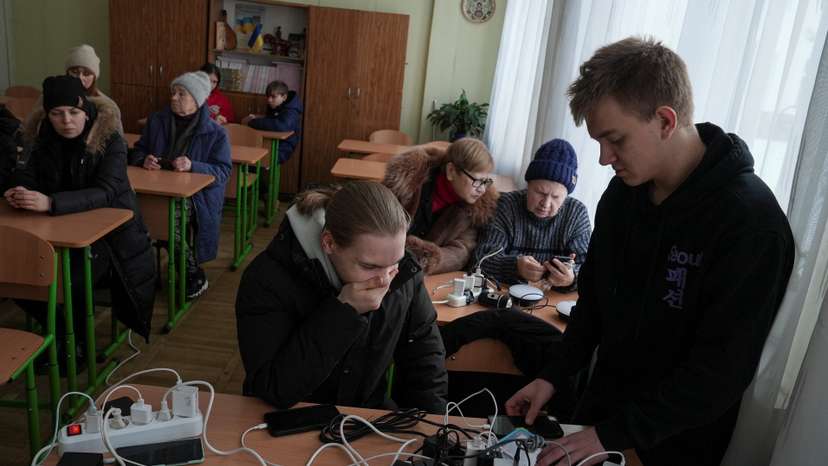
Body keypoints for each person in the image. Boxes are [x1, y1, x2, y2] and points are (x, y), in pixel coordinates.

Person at [505, 37, 795, 466]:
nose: (604, 159)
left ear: (664, 119)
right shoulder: (623, 195)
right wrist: (554, 375)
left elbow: (720, 372)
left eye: (615, 139)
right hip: (600, 417)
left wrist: (614, 434)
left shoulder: (751, 223)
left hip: (675, 441)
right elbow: (595, 305)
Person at [236, 182, 447, 412]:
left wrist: (433, 429)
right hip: (289, 418)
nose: (386, 280)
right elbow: (273, 388)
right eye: (369, 266)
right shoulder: (267, 279)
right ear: (329, 243)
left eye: (394, 261)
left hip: (365, 417)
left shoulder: (404, 271)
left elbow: (425, 360)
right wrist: (342, 312)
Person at [4, 75, 155, 347]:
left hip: (111, 239)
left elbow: (106, 191)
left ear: (85, 110)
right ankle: (62, 333)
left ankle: (79, 345)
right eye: (57, 114)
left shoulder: (110, 140)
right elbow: (24, 171)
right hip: (56, 230)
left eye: (73, 112)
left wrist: (50, 203)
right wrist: (18, 190)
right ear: (47, 115)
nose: (66, 121)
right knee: (17, 271)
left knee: (70, 281)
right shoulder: (38, 137)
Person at [129, 71, 231, 298]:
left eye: (181, 94)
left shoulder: (216, 133)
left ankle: (192, 272)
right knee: (131, 211)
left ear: (197, 99)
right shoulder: (157, 120)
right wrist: (143, 159)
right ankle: (133, 273)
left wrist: (193, 165)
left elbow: (223, 171)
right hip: (155, 189)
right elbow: (138, 149)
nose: (174, 98)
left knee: (167, 217)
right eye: (172, 93)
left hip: (195, 197)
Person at [471, 138, 591, 290]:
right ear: (528, 185)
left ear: (566, 196)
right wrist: (515, 266)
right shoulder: (506, 205)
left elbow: (592, 270)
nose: (546, 203)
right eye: (540, 192)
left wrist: (572, 278)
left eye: (556, 197)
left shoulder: (576, 214)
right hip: (506, 298)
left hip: (553, 303)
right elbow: (480, 261)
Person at [383, 138, 498, 274]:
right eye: (477, 180)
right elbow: (377, 226)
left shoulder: (476, 208)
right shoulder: (406, 184)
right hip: (383, 265)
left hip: (421, 277)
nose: (482, 189)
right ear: (451, 171)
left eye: (486, 181)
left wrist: (429, 258)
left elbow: (462, 252)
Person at [25, 44, 123, 135]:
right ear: (67, 72)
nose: (80, 78)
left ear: (94, 77)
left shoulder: (108, 105)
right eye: (75, 72)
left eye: (86, 74)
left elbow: (118, 139)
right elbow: (30, 129)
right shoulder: (49, 96)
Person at [241, 80, 302, 163]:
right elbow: (270, 119)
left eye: (273, 97)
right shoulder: (276, 105)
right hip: (270, 143)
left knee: (251, 156)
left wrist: (252, 122)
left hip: (282, 148)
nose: (269, 100)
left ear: (284, 97)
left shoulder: (291, 111)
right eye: (268, 96)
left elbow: (282, 126)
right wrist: (255, 118)